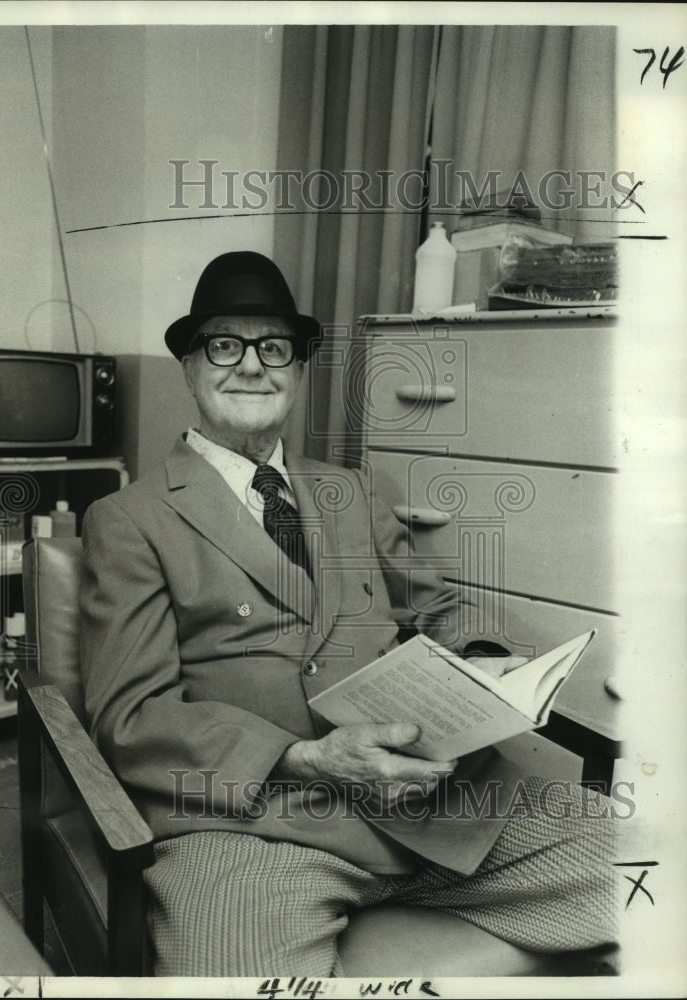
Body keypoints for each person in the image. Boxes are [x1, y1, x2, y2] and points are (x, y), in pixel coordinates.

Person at [78, 250, 618, 977]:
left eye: (274, 348)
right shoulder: (128, 518)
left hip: (433, 805)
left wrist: (484, 661)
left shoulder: (353, 490)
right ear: (188, 365)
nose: (250, 365)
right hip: (256, 827)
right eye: (224, 344)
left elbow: (439, 609)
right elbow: (131, 713)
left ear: (297, 370)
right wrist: (305, 756)